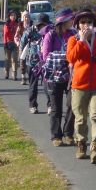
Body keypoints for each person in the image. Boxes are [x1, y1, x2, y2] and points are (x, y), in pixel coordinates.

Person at [67, 9, 96, 164]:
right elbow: (71, 58)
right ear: (78, 25)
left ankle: (95, 147)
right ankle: (81, 144)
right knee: (80, 118)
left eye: (89, 22)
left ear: (94, 24)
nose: (86, 25)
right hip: (79, 85)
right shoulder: (73, 39)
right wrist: (81, 40)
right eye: (82, 22)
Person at [41, 8, 76, 146]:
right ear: (63, 21)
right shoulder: (50, 35)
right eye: (70, 19)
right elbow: (46, 56)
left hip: (70, 75)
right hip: (53, 77)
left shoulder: (73, 34)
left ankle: (68, 133)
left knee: (72, 105)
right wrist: (66, 57)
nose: (72, 21)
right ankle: (56, 136)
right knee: (56, 108)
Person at [21, 12, 49, 113]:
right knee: (33, 85)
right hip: (32, 62)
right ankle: (33, 105)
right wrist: (22, 60)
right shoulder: (30, 31)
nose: (42, 27)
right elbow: (22, 43)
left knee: (47, 85)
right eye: (40, 24)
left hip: (46, 62)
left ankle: (50, 105)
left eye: (44, 24)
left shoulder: (50, 31)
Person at [3, 9, 22, 80]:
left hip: (15, 43)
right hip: (8, 43)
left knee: (14, 59)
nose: (13, 17)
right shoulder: (6, 24)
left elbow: (20, 33)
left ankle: (14, 74)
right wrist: (5, 43)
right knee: (7, 59)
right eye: (12, 15)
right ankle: (7, 73)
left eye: (14, 15)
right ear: (9, 16)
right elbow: (5, 34)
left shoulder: (18, 24)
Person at [18, 11, 33, 84]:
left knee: (31, 61)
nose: (26, 18)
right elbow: (16, 36)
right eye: (25, 17)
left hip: (31, 46)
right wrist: (18, 42)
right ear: (23, 18)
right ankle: (23, 77)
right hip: (22, 46)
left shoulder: (33, 26)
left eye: (28, 17)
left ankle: (30, 76)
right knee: (22, 61)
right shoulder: (20, 26)